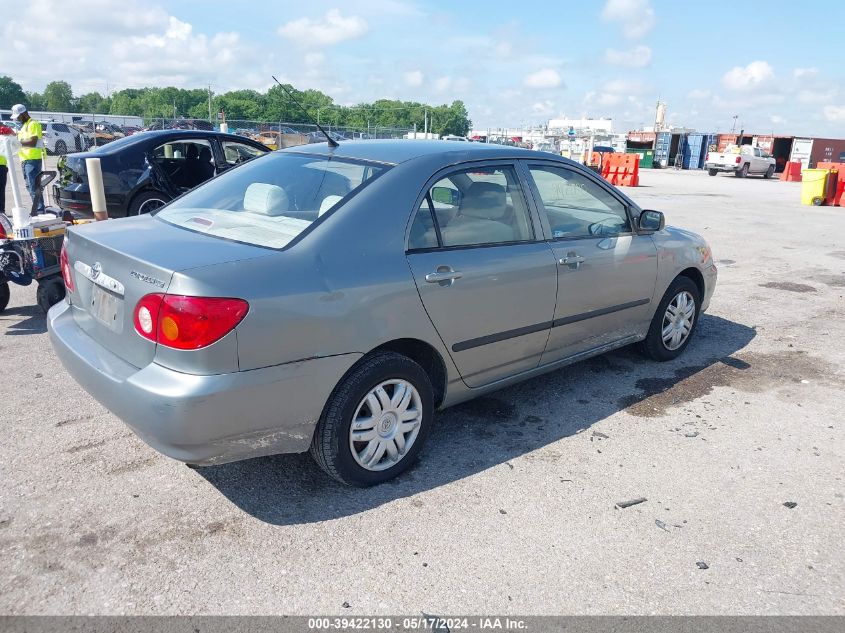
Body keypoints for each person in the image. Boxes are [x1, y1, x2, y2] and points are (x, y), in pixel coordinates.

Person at [10, 104, 45, 215]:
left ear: (24, 113)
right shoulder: (24, 126)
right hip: (25, 160)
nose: (17, 119)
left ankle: (39, 210)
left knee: (33, 186)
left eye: (18, 116)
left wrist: (17, 143)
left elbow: (33, 142)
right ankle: (37, 209)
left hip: (32, 159)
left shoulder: (32, 124)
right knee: (30, 186)